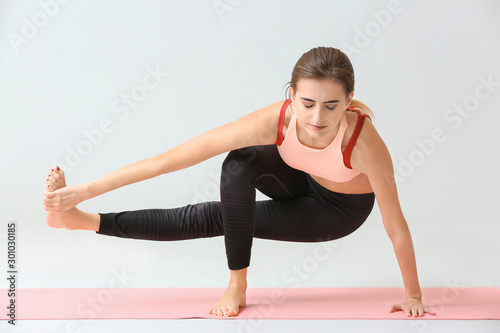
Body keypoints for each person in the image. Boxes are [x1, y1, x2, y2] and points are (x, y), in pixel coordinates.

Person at [43, 46, 435, 318]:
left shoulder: (364, 144)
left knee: (215, 218)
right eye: (308, 103)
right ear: (291, 96)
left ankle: (233, 285)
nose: (318, 117)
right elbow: (170, 160)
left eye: (332, 105)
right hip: (302, 182)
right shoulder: (275, 120)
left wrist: (413, 295)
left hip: (336, 213)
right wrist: (86, 187)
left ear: (349, 100)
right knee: (237, 163)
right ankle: (76, 214)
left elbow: (395, 224)